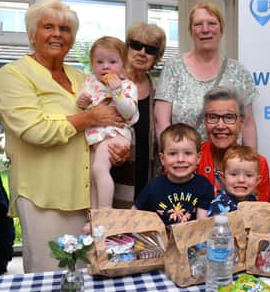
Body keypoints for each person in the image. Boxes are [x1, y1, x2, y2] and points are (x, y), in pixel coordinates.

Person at [0, 0, 126, 272]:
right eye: (48, 27)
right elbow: (35, 129)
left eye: (65, 29)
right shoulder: (14, 74)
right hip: (44, 194)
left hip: (86, 196)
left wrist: (117, 149)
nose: (57, 34)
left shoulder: (82, 79)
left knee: (87, 275)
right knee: (49, 277)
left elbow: (110, 121)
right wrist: (89, 117)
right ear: (32, 34)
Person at [154, 2, 258, 147]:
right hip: (184, 163)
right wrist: (173, 156)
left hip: (228, 164)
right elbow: (161, 121)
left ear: (221, 29)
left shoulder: (239, 72)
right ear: (191, 31)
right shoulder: (173, 67)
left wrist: (249, 163)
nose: (205, 29)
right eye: (198, 24)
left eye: (212, 23)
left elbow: (247, 125)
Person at [76, 36, 138, 212]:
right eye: (99, 62)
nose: (105, 66)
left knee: (99, 167)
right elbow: (85, 106)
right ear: (92, 64)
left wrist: (117, 91)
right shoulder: (91, 83)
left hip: (116, 134)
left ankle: (105, 211)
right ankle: (94, 215)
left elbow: (128, 112)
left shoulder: (127, 86)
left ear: (123, 65)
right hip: (97, 136)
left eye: (112, 62)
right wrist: (81, 100)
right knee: (93, 175)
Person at [110, 23, 166, 205]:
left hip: (148, 177)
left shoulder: (158, 88)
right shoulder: (110, 82)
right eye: (136, 45)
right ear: (126, 48)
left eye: (150, 49)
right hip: (114, 174)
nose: (142, 52)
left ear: (156, 57)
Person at [197, 86, 270, 200]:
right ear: (205, 122)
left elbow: (261, 211)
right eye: (213, 117)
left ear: (241, 123)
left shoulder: (259, 163)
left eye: (229, 117)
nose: (220, 126)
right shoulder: (189, 160)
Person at [133, 123, 211, 225]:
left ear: (198, 158)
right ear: (162, 159)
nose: (180, 159)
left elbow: (202, 225)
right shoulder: (153, 187)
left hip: (192, 238)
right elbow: (133, 215)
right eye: (173, 154)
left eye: (187, 153)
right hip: (159, 239)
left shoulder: (203, 185)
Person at [207, 145, 260, 216]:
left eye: (248, 175)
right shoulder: (219, 204)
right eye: (234, 174)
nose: (241, 180)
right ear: (223, 178)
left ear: (257, 181)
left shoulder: (253, 200)